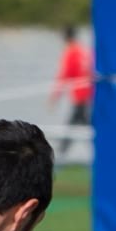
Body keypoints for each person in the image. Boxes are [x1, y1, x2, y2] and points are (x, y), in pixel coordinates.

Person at [48, 26, 93, 158]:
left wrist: (54, 97)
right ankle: (63, 151)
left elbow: (64, 76)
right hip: (90, 93)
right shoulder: (83, 50)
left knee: (77, 124)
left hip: (80, 94)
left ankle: (61, 154)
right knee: (81, 123)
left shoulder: (71, 53)